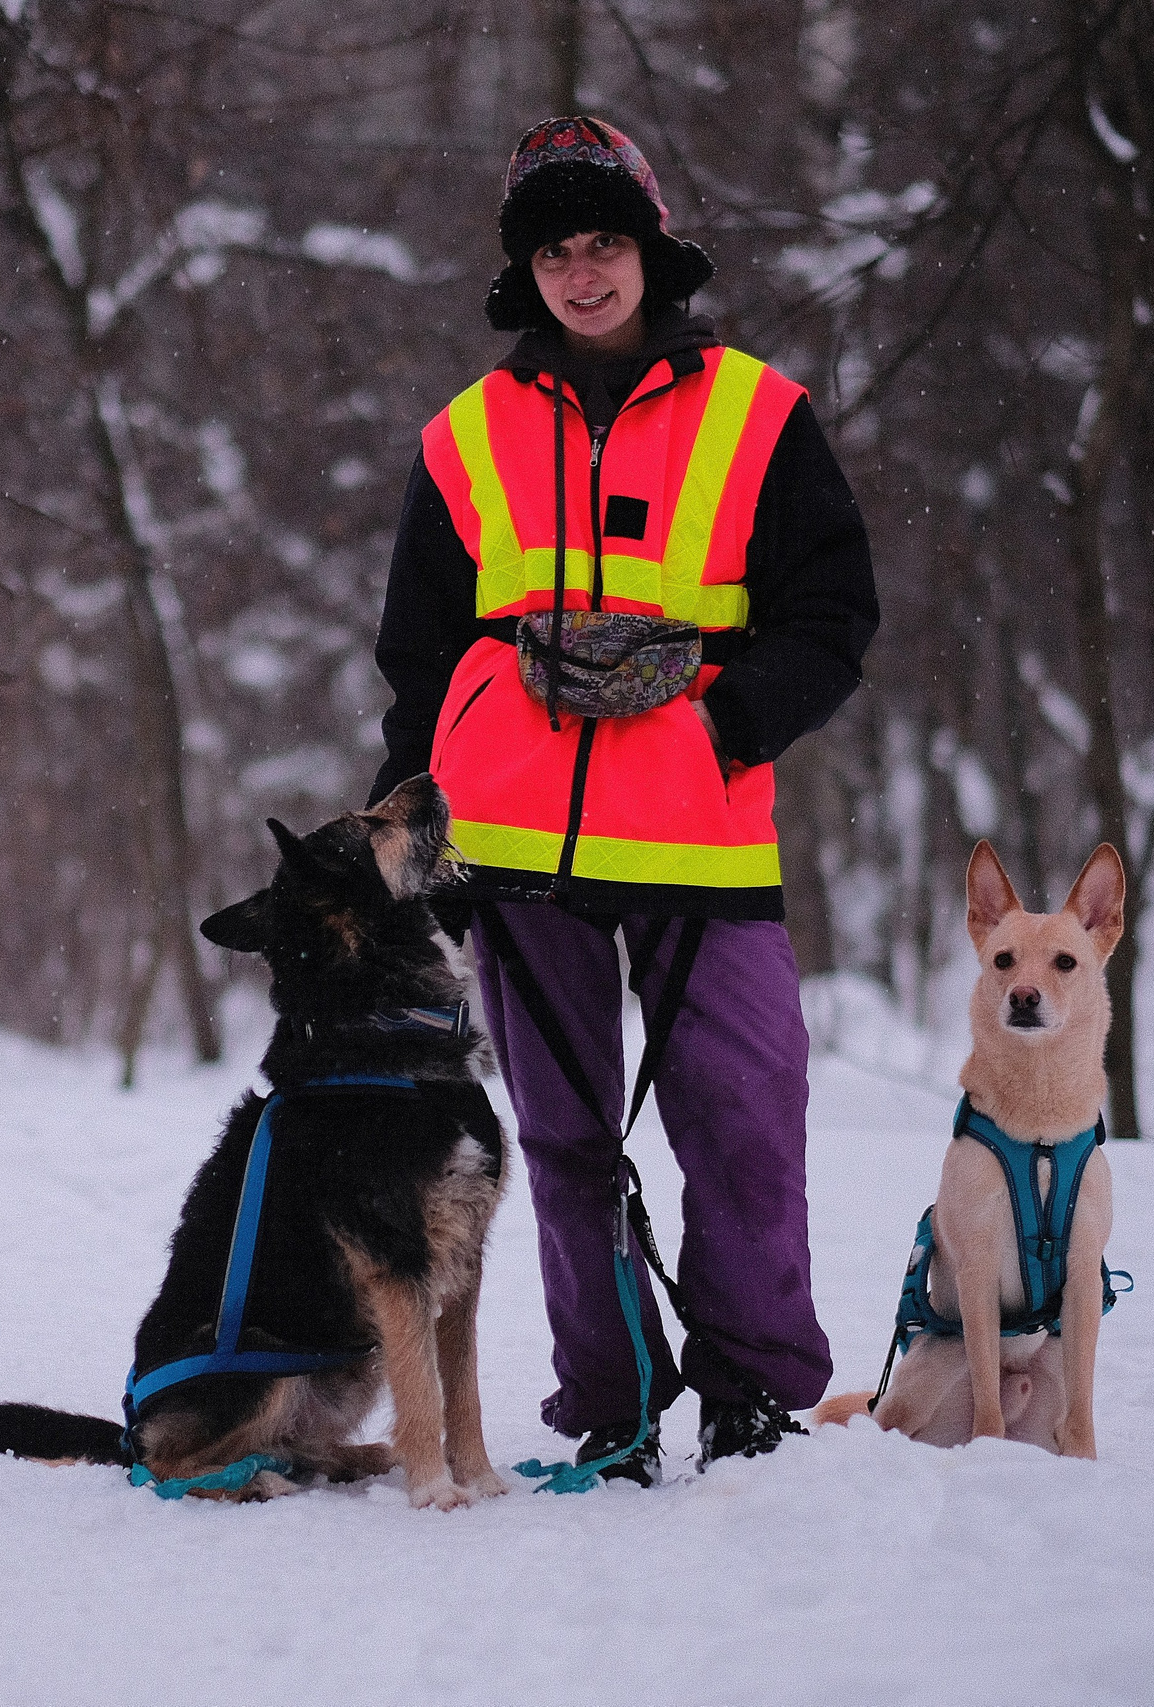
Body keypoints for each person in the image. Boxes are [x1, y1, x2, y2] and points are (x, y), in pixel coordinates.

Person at [368, 116, 879, 1485]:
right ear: (523, 274)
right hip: (516, 845)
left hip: (706, 837)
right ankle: (613, 1404)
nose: (583, 273)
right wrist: (410, 827)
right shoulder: (467, 436)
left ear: (650, 249)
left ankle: (758, 1398)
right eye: (555, 251)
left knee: (748, 1123)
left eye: (605, 244)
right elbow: (417, 655)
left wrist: (723, 721)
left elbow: (832, 616)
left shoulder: (759, 415)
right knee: (566, 1144)